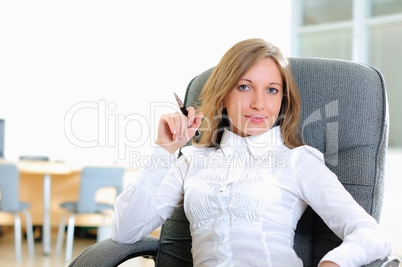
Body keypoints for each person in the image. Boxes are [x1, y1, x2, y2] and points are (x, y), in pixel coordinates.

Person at [111, 38, 392, 266]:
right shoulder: (192, 161)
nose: (259, 103)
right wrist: (164, 151)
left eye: (272, 90)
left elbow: (372, 235)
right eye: (245, 87)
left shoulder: (297, 160)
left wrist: (334, 263)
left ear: (283, 100)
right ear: (223, 97)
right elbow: (125, 232)